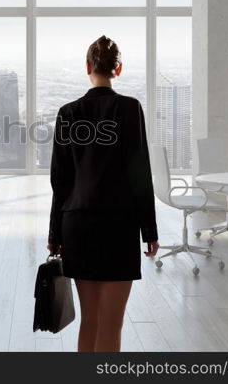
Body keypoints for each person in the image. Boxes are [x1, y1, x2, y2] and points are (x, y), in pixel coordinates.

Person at [47, 35, 159, 352]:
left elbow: (61, 182)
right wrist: (149, 230)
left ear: (88, 67)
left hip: (77, 225)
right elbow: (140, 176)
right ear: (118, 69)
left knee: (90, 321)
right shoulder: (130, 109)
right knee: (112, 324)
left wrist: (55, 233)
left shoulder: (68, 112)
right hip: (119, 226)